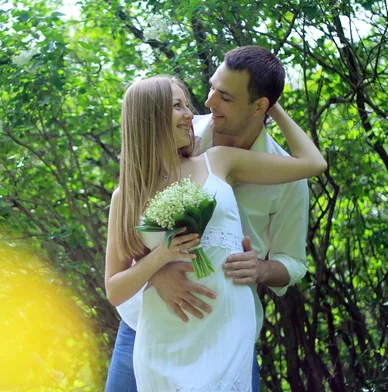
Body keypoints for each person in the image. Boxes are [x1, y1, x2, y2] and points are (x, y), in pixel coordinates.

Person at [105, 49, 324, 391]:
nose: (205, 104)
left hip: (224, 326)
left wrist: (262, 269)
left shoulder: (249, 168)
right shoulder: (181, 139)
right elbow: (127, 256)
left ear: (259, 106)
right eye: (210, 89)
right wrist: (158, 266)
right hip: (146, 325)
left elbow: (294, 263)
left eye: (225, 96)